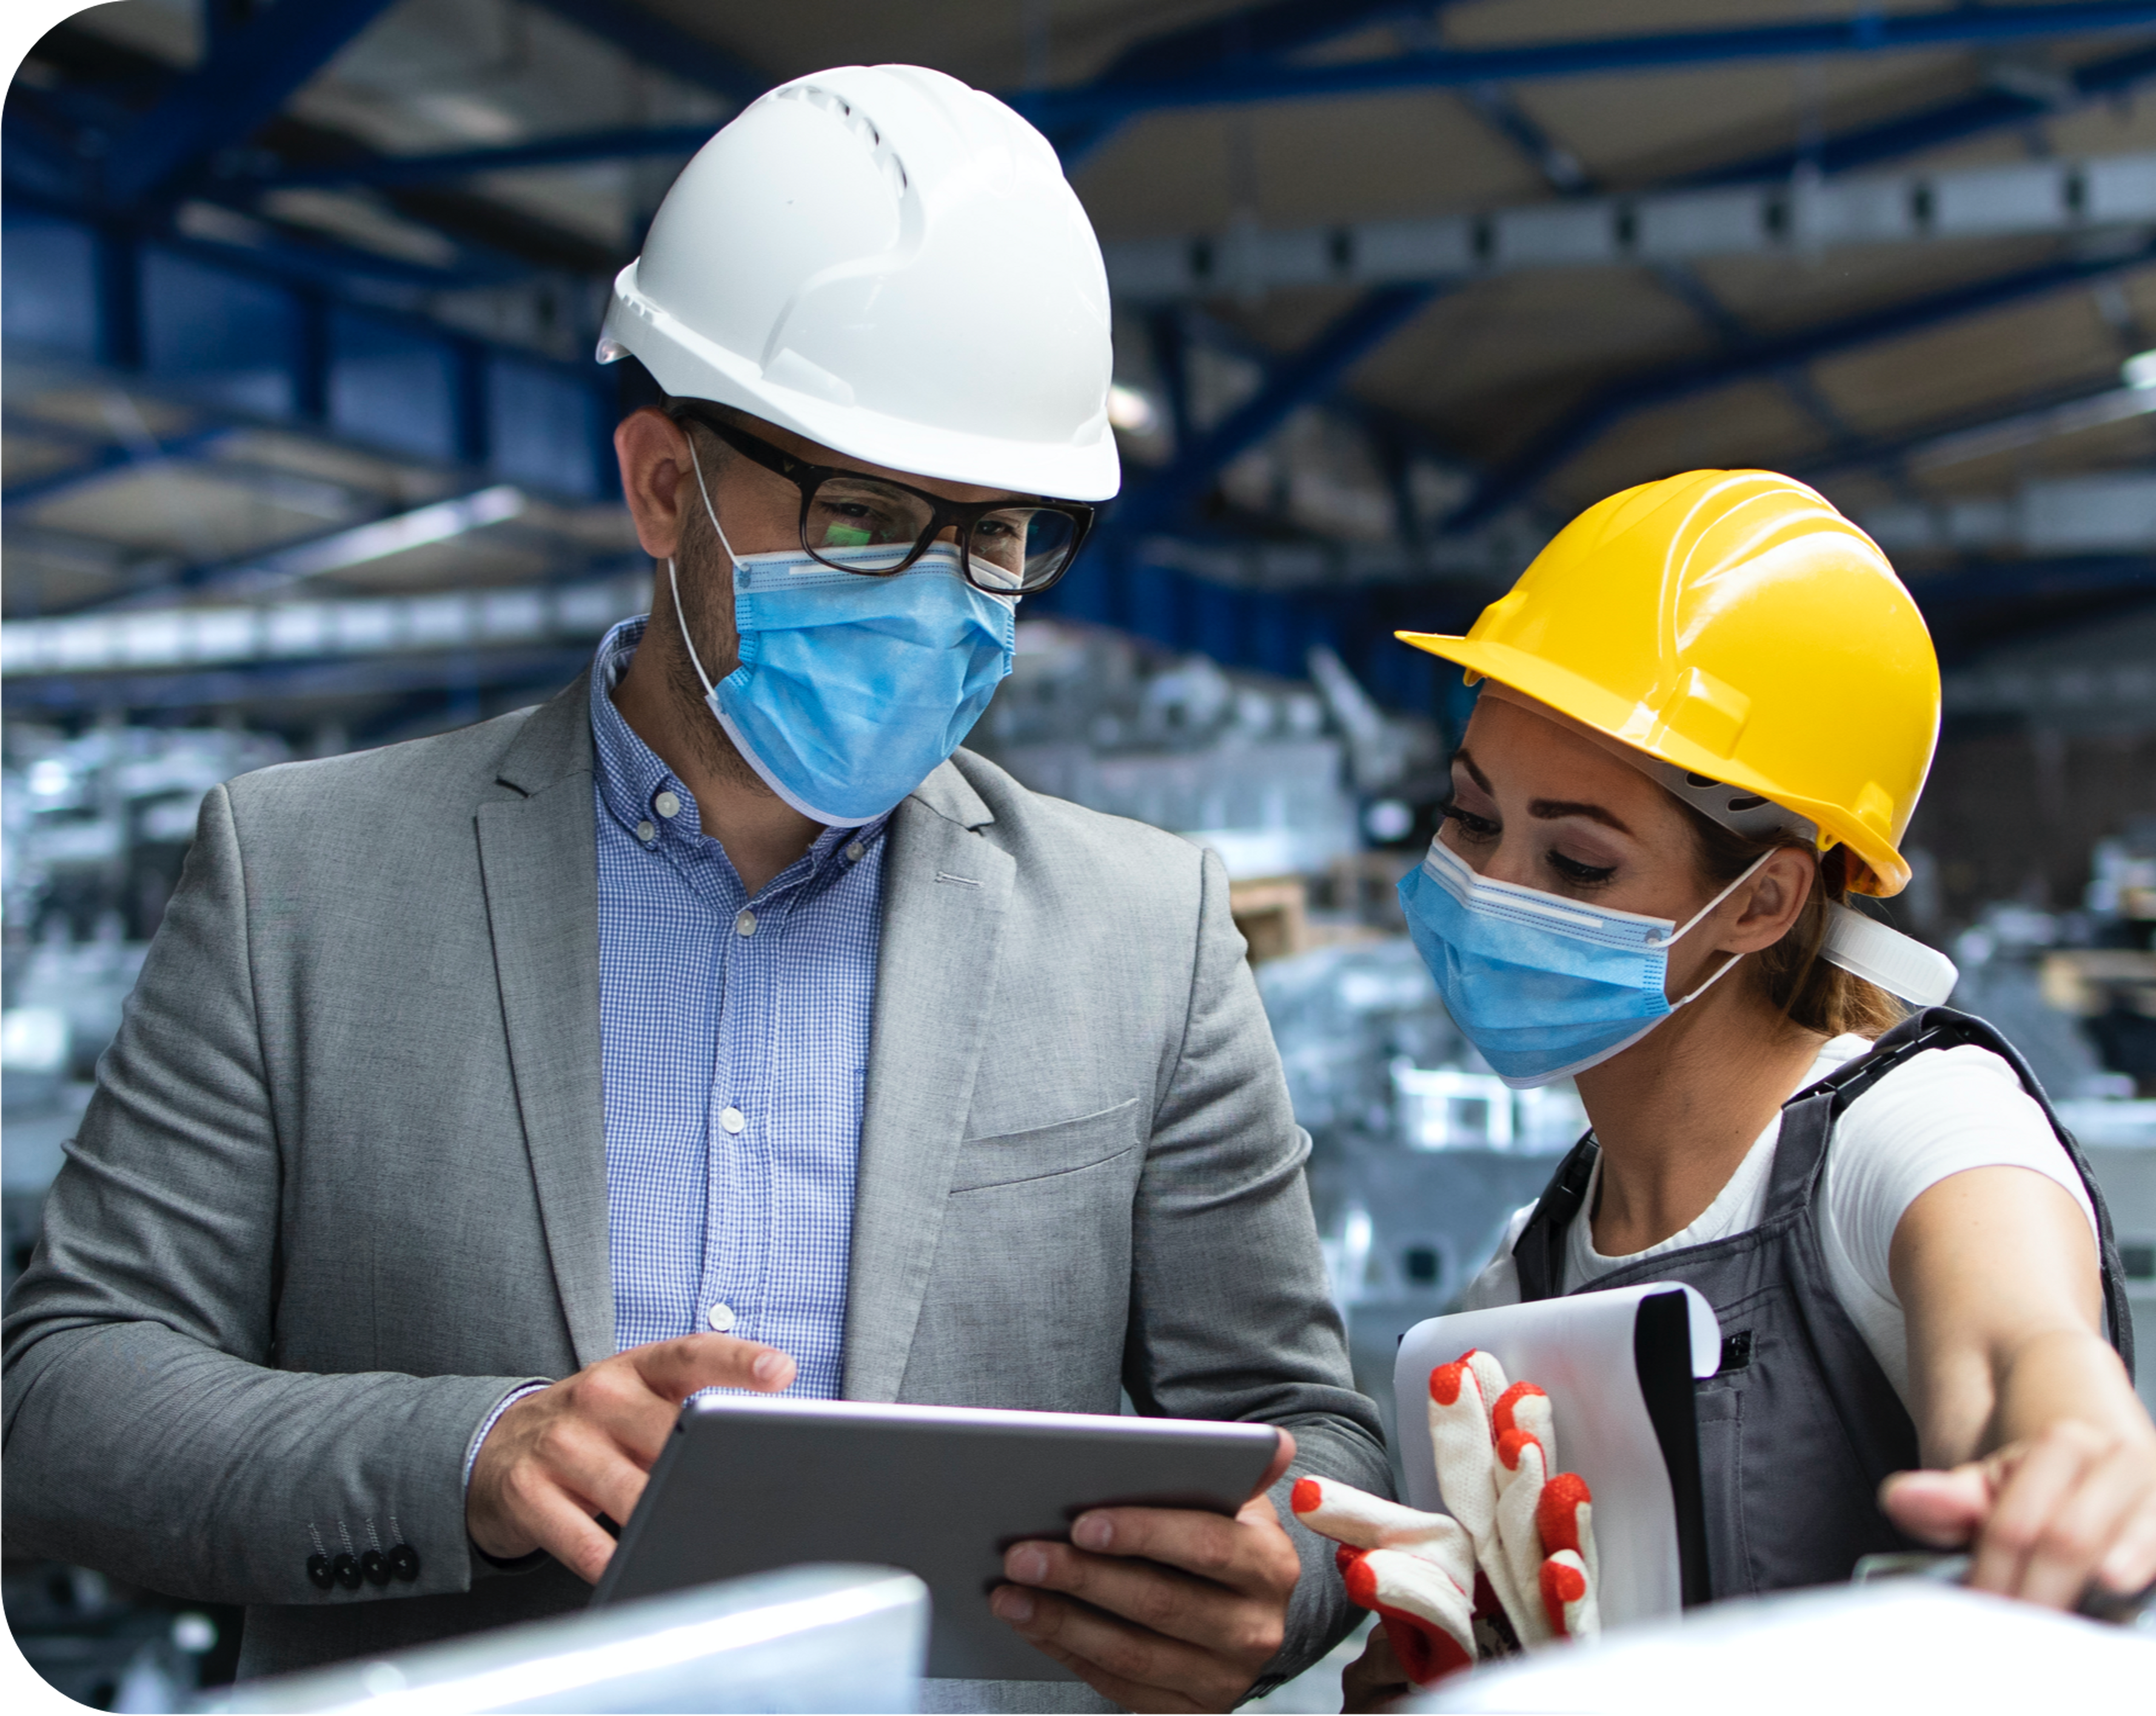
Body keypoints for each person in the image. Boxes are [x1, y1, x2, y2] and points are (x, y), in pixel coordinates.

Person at [0, 66, 1390, 1716]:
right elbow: (62, 1402)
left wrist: (1282, 1586)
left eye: (999, 534)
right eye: (871, 521)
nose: (946, 600)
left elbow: (1315, 1433)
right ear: (665, 484)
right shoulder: (306, 880)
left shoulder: (1142, 936)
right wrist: (469, 1450)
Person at [1339, 469, 2156, 1700]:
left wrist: (2077, 1455)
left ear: (1767, 900)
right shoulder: (1517, 1282)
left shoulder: (1915, 1129)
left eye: (1577, 858)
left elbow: (2016, 1342)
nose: (1490, 887)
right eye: (1471, 818)